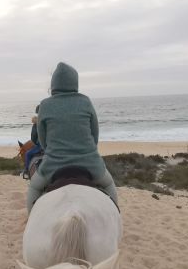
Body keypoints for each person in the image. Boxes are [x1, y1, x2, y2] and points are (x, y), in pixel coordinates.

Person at [26, 62, 118, 212]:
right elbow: (95, 135)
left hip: (53, 164)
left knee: (34, 187)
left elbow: (43, 141)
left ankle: (31, 218)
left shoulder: (45, 105)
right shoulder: (85, 101)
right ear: (75, 82)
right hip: (90, 163)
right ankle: (116, 214)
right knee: (108, 184)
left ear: (54, 84)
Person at [24, 105, 42, 172]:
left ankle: (27, 170)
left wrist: (34, 142)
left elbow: (33, 137)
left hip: (41, 146)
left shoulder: (36, 124)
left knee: (27, 154)